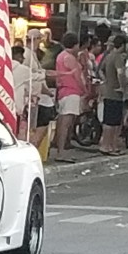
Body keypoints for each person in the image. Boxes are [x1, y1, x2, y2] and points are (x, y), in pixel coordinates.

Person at [54, 33, 86, 162]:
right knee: (66, 123)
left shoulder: (60, 56)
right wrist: (84, 90)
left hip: (63, 91)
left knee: (62, 121)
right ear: (76, 45)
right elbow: (77, 76)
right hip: (71, 91)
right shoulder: (70, 58)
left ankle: (59, 149)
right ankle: (61, 151)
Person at [99, 34, 128, 155]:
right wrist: (122, 86)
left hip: (108, 91)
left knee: (108, 121)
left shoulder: (108, 56)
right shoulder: (118, 58)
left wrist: (105, 80)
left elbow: (101, 69)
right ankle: (108, 146)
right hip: (115, 93)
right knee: (113, 122)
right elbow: (120, 73)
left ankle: (107, 145)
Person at [12, 46, 31, 137]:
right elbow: (37, 78)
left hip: (3, 104)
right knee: (15, 132)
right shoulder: (23, 70)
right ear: (18, 56)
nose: (23, 59)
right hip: (16, 105)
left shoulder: (3, 66)